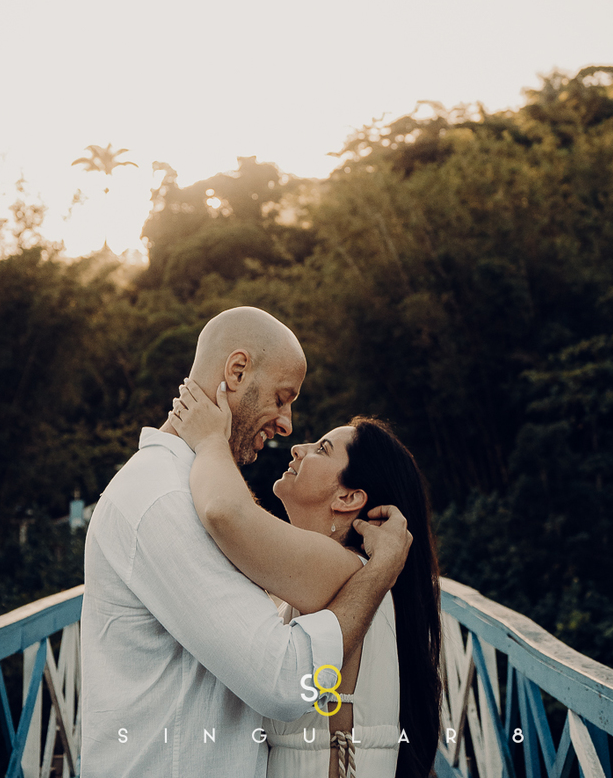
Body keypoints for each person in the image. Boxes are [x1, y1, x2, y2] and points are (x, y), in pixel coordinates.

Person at [81, 307, 412, 776]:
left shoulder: (186, 488)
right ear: (237, 372)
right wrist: (380, 571)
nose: (288, 426)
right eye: (282, 398)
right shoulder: (165, 499)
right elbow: (285, 681)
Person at [170, 375, 441, 778]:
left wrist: (211, 441)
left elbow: (225, 512)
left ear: (348, 497)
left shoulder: (342, 570)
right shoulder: (336, 574)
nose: (299, 447)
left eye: (322, 449)